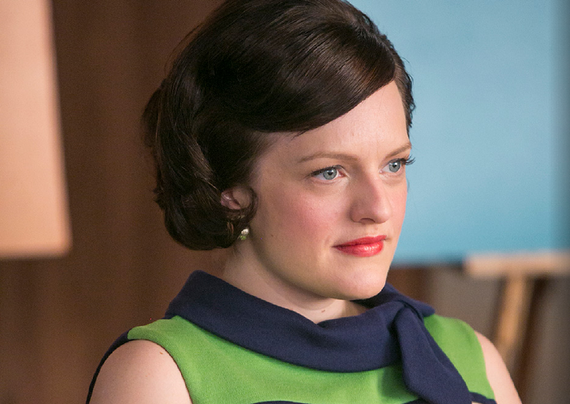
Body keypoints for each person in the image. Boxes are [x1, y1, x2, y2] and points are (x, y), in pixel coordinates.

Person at [87, 0, 521, 403]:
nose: (378, 209)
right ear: (230, 190)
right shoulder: (160, 375)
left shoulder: (471, 356)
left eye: (393, 165)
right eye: (329, 172)